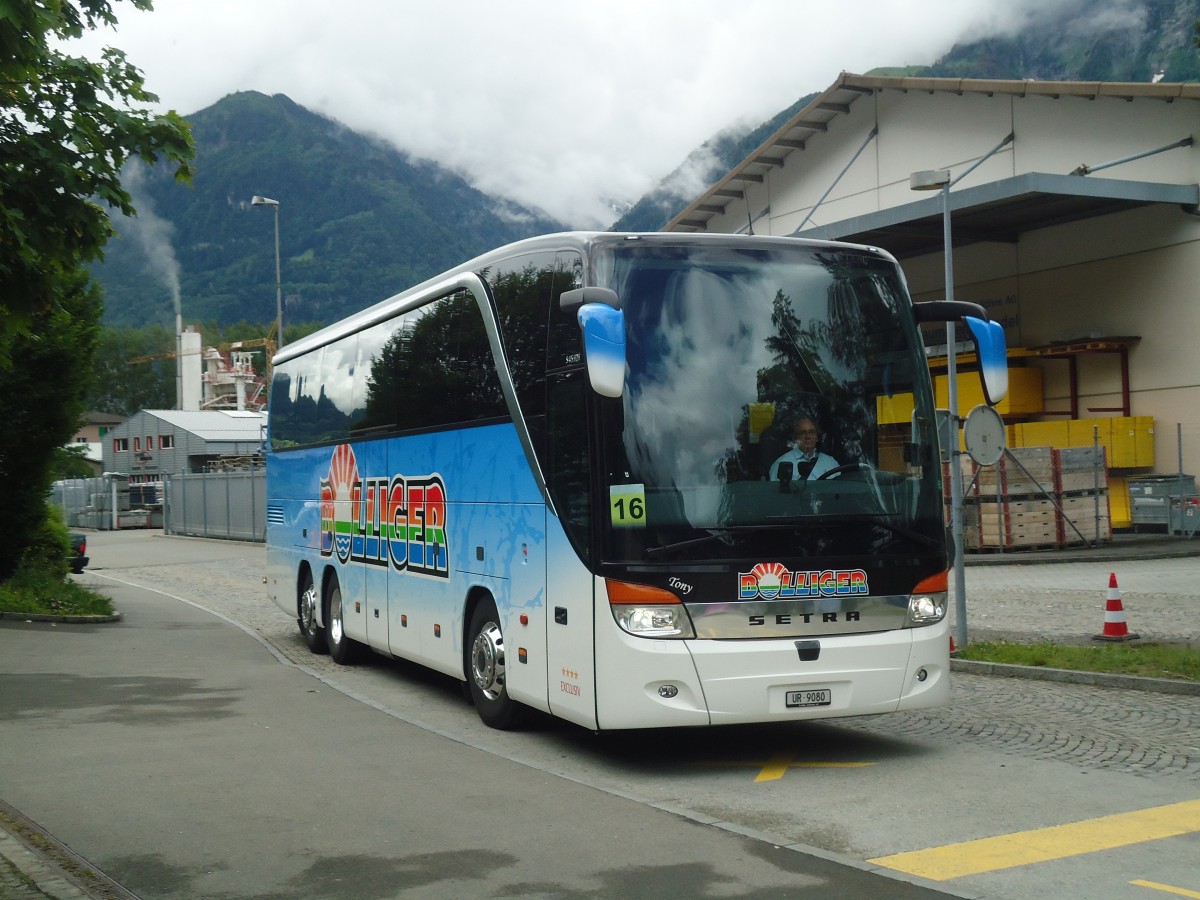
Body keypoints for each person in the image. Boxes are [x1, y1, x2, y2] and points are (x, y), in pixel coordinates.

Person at [769, 417, 837, 482]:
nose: (808, 436)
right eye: (803, 433)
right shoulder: (781, 463)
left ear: (817, 437)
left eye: (811, 432)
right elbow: (774, 492)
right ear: (795, 438)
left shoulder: (831, 463)